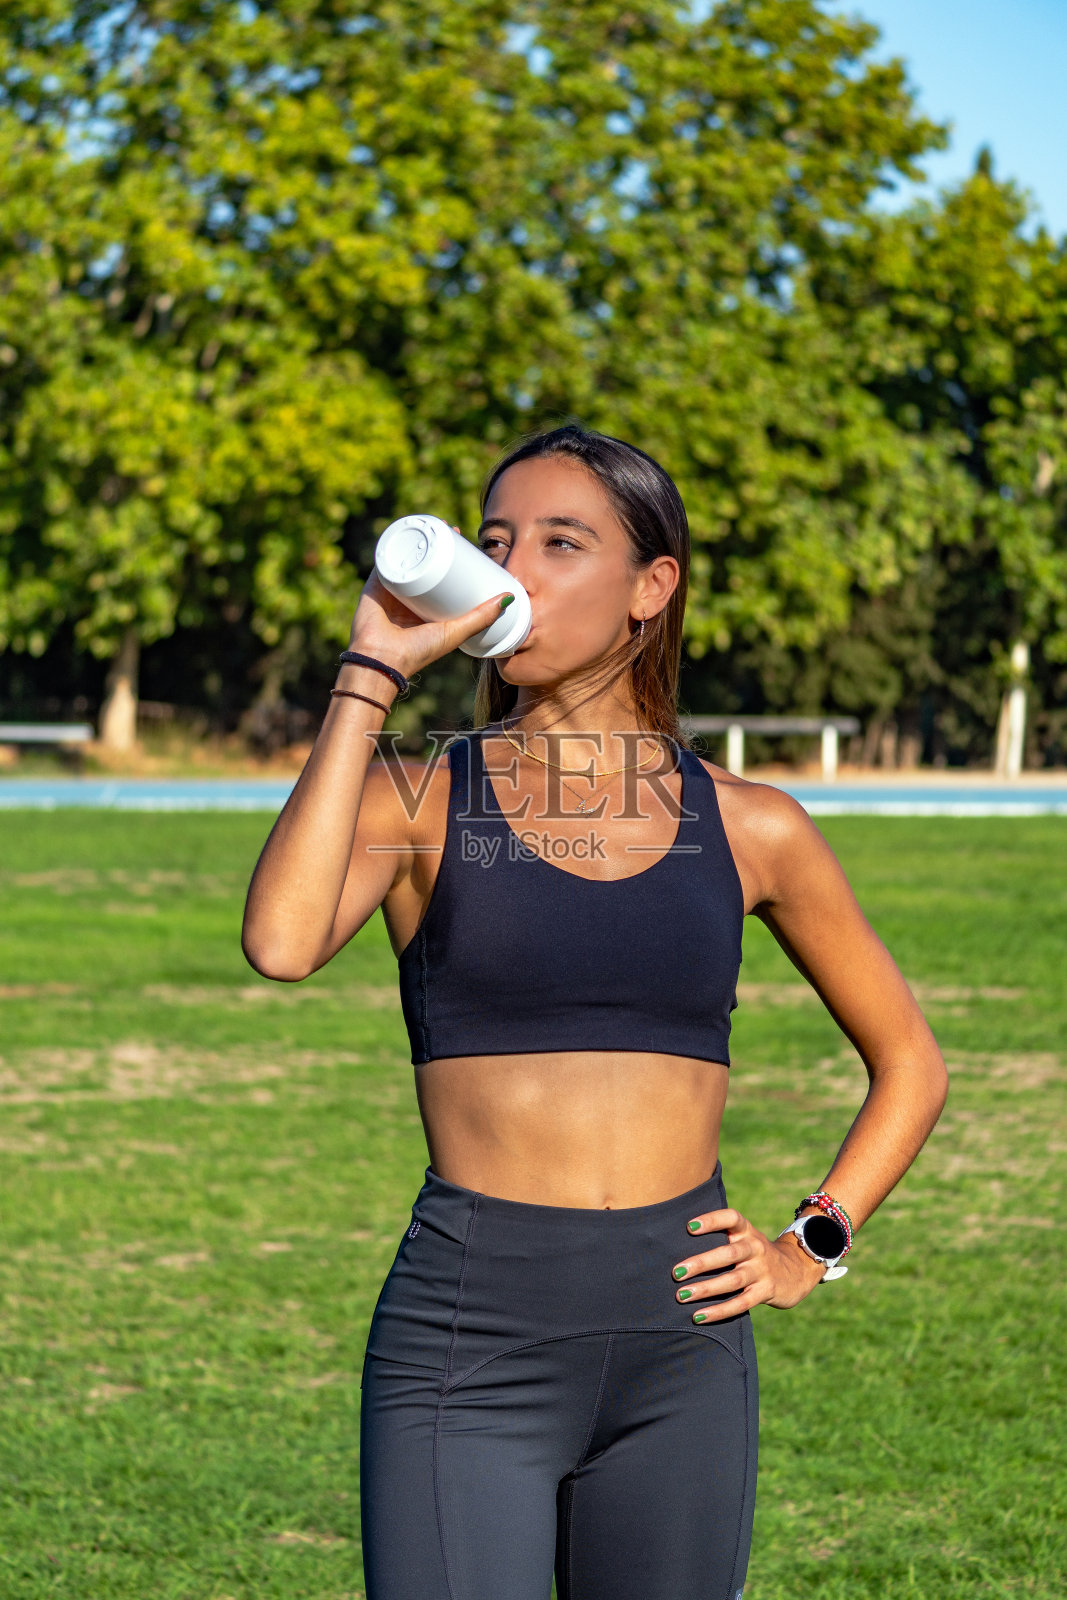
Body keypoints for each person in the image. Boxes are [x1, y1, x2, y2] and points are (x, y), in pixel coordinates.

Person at [241, 423, 948, 1600]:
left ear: (648, 588)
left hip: (684, 1345)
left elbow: (909, 1063)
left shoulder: (749, 822)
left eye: (561, 542)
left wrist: (806, 1244)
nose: (514, 569)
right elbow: (278, 942)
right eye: (498, 540)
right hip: (471, 1337)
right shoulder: (419, 796)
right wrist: (370, 674)